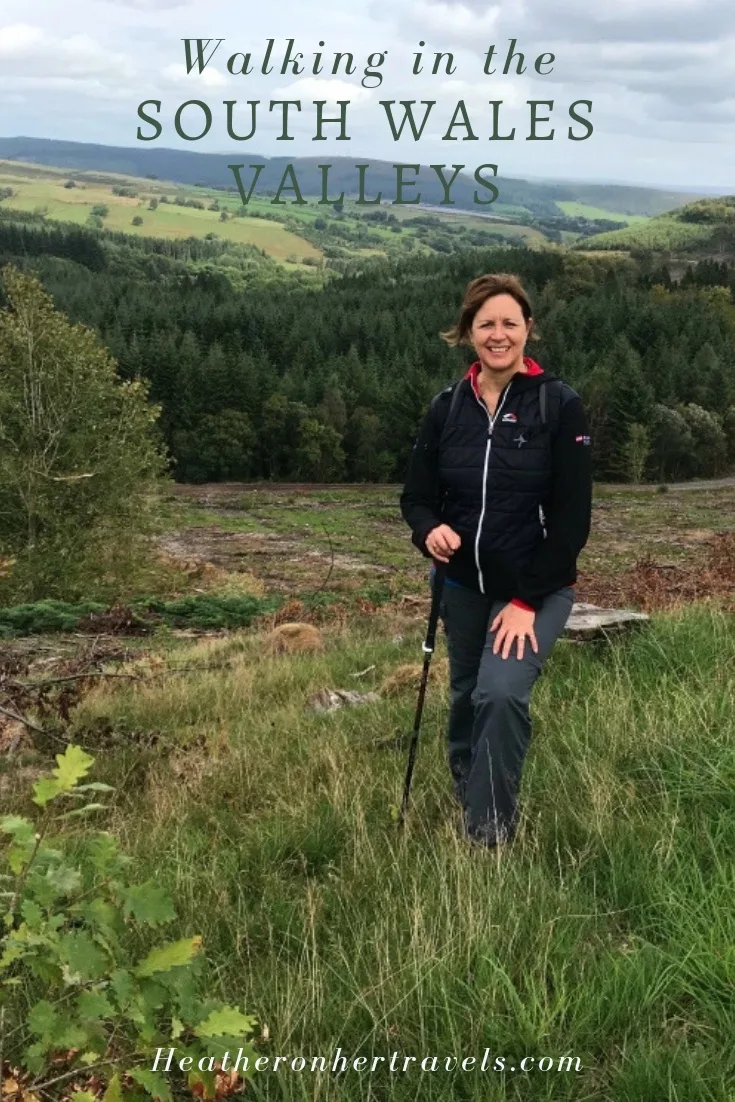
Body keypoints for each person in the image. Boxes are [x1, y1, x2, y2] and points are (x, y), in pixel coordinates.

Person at [399, 273, 593, 847]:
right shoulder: (446, 408)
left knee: (501, 693)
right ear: (468, 332)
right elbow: (416, 497)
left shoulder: (559, 406)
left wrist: (526, 601)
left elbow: (571, 522)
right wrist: (428, 530)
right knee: (465, 695)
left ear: (528, 329)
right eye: (487, 323)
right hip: (461, 586)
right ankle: (468, 785)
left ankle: (488, 836)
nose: (499, 334)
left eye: (510, 322)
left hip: (536, 588)